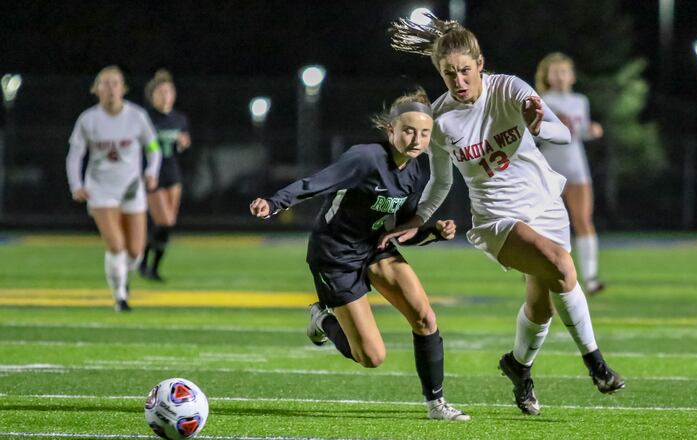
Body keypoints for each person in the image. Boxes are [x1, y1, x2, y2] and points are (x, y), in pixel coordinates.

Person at [385, 14, 624, 416]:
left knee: (542, 303)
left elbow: (561, 133)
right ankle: (596, 364)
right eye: (448, 74)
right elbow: (441, 183)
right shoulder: (440, 120)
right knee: (563, 267)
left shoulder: (510, 88)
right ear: (440, 74)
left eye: (464, 70)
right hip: (498, 219)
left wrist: (540, 125)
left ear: (480, 65)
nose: (458, 80)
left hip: (546, 205)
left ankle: (518, 366)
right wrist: (416, 219)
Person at [249, 88, 470, 421]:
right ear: (391, 129)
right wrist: (276, 203)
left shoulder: (414, 171)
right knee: (371, 356)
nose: (416, 139)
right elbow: (317, 182)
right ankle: (322, 317)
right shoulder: (365, 158)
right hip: (335, 254)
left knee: (425, 317)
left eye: (425, 133)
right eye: (408, 130)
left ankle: (436, 404)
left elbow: (403, 233)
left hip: (374, 247)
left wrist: (434, 233)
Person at [66, 65, 162, 312]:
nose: (110, 89)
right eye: (104, 84)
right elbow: (75, 155)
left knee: (135, 252)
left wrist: (151, 172)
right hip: (100, 188)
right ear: (96, 89)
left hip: (131, 187)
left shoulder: (137, 116)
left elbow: (153, 148)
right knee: (116, 244)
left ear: (124, 88)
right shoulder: (88, 119)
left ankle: (122, 275)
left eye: (115, 83)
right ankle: (120, 297)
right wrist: (76, 184)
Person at [535, 53, 605, 294]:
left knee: (583, 221)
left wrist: (591, 130)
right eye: (554, 72)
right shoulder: (542, 100)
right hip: (551, 167)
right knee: (545, 223)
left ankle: (591, 278)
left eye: (564, 71)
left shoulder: (580, 101)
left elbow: (579, 131)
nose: (560, 76)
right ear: (547, 76)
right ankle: (540, 272)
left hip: (577, 166)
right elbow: (535, 133)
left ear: (572, 75)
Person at [139, 69, 192, 282]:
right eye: (160, 92)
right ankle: (147, 264)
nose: (165, 96)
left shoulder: (179, 118)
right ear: (152, 95)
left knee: (167, 224)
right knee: (165, 220)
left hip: (173, 173)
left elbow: (184, 143)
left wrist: (183, 143)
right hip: (153, 174)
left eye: (169, 91)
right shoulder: (145, 118)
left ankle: (149, 265)